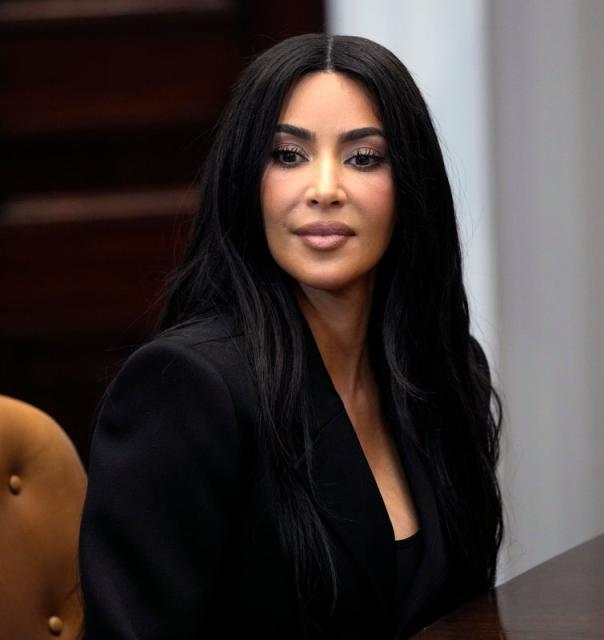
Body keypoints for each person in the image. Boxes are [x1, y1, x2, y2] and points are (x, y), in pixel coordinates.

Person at [78, 33, 503, 639]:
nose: (324, 188)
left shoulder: (447, 368)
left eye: (363, 158)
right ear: (246, 182)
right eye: (288, 155)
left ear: (409, 189)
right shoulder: (185, 388)